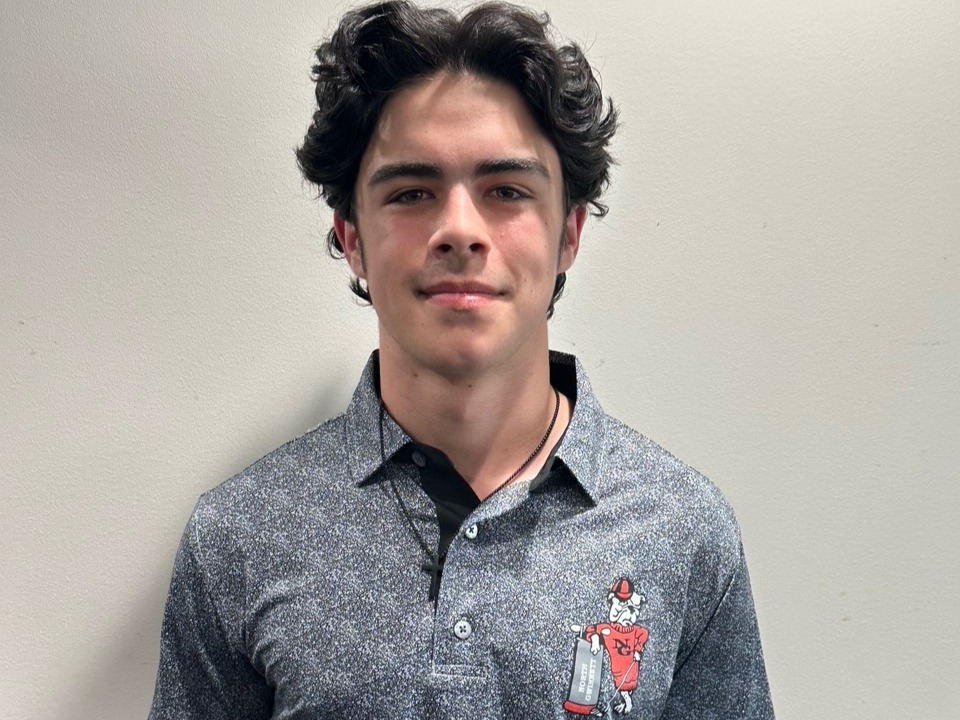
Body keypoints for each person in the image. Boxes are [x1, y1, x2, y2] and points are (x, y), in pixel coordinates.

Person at [148, 1, 775, 718]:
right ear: (351, 238)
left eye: (506, 191)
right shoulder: (238, 536)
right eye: (411, 192)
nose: (458, 229)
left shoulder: (684, 529)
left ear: (568, 233)